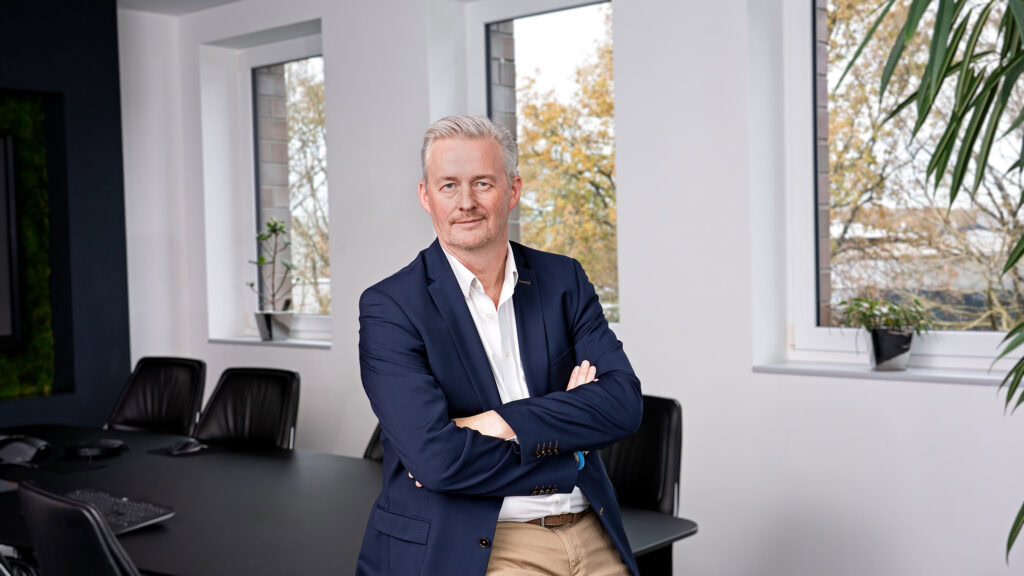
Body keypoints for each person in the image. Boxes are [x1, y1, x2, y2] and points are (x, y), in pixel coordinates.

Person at [356, 115, 643, 576]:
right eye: (449, 186)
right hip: (480, 544)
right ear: (426, 197)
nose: (466, 202)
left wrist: (495, 422)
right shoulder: (391, 307)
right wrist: (570, 447)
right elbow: (436, 460)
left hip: (592, 532)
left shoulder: (563, 280)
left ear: (513, 190)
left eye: (482, 183)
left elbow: (623, 405)